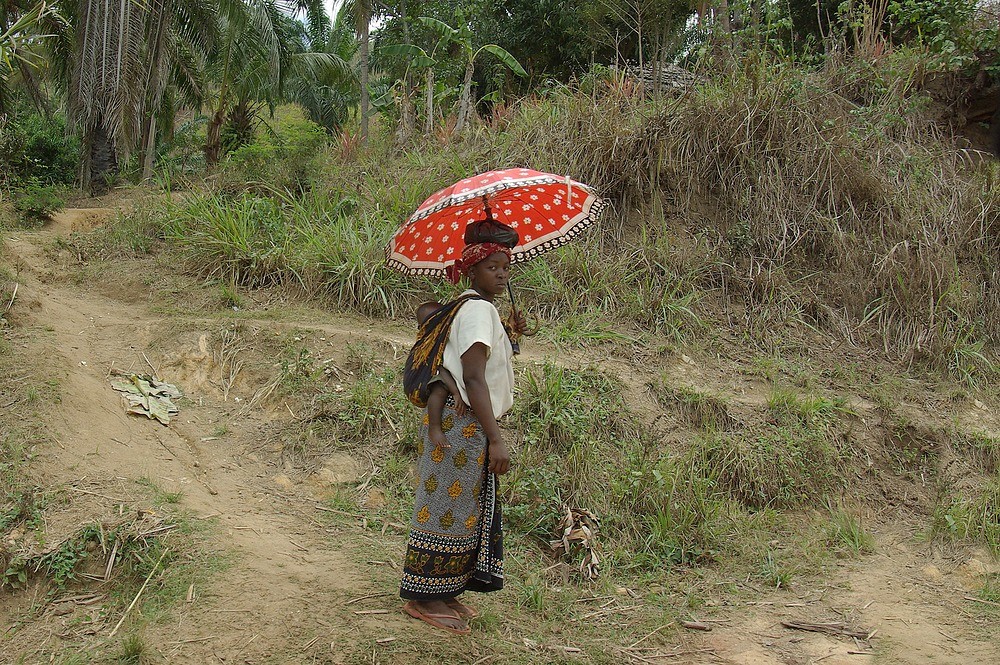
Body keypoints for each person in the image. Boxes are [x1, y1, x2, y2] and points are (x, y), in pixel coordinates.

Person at [400, 241, 526, 636]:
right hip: (463, 425)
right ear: (472, 271)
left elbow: (485, 368)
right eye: (492, 266)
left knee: (461, 510)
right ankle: (424, 596)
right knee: (444, 508)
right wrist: (496, 439)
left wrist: (511, 335)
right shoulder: (477, 309)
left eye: (506, 266)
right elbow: (472, 378)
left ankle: (446, 588)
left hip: (467, 425)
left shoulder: (476, 310)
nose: (502, 273)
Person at [415, 301, 468, 450]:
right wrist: (456, 392)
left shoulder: (443, 338)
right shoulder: (430, 342)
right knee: (439, 390)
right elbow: (441, 369)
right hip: (434, 375)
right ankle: (435, 428)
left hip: (443, 372)